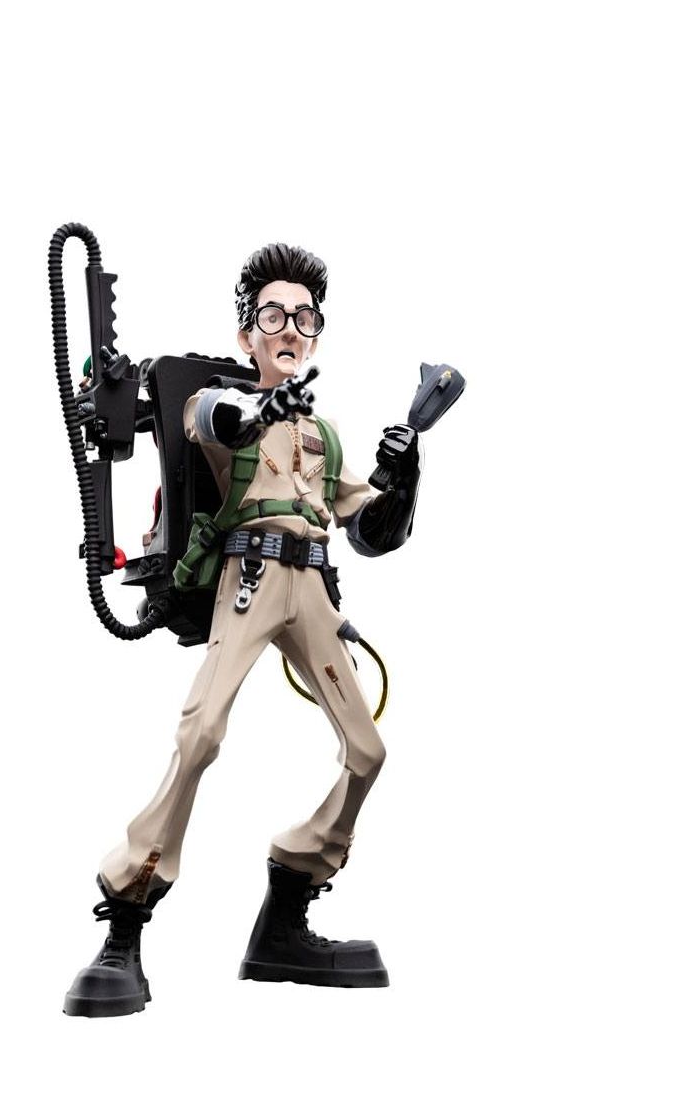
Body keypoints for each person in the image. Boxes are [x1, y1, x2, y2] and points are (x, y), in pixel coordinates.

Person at [64, 243, 423, 1017]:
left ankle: (292, 896)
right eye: (273, 314)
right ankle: (127, 910)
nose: (289, 328)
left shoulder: (323, 435)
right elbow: (210, 421)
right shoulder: (217, 402)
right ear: (246, 332)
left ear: (316, 333)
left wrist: (405, 477)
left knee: (368, 750)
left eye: (304, 317)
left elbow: (372, 531)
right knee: (200, 735)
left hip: (313, 590)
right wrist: (253, 409)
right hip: (250, 579)